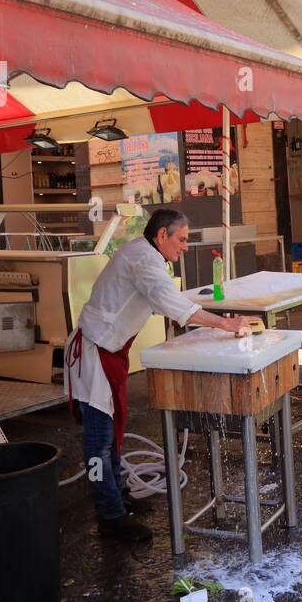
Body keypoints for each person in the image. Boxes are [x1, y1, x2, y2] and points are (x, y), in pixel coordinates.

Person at [65, 209, 259, 542]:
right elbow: (170, 304)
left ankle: (117, 497)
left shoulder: (142, 254)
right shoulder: (145, 260)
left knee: (111, 431)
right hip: (96, 352)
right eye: (181, 239)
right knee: (99, 441)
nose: (185, 246)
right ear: (162, 237)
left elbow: (161, 300)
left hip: (107, 349)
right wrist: (226, 323)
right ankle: (110, 515)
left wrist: (209, 314)